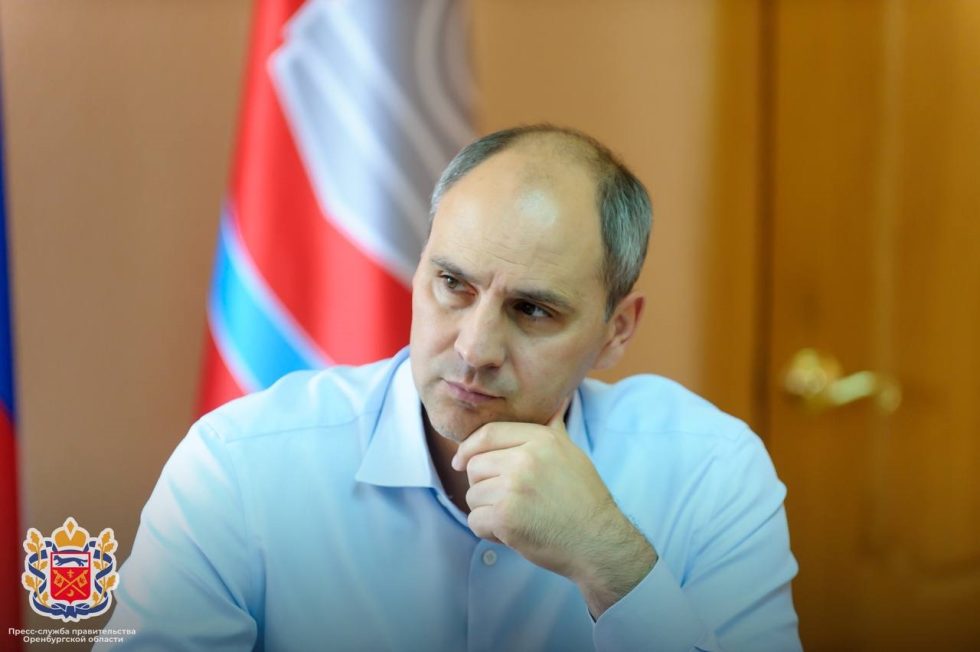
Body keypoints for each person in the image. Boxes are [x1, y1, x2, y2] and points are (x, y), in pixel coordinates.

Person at [97, 125, 801, 651]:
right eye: (452, 285)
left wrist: (609, 558)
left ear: (616, 332)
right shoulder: (240, 463)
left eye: (533, 310)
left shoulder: (710, 472)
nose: (474, 348)